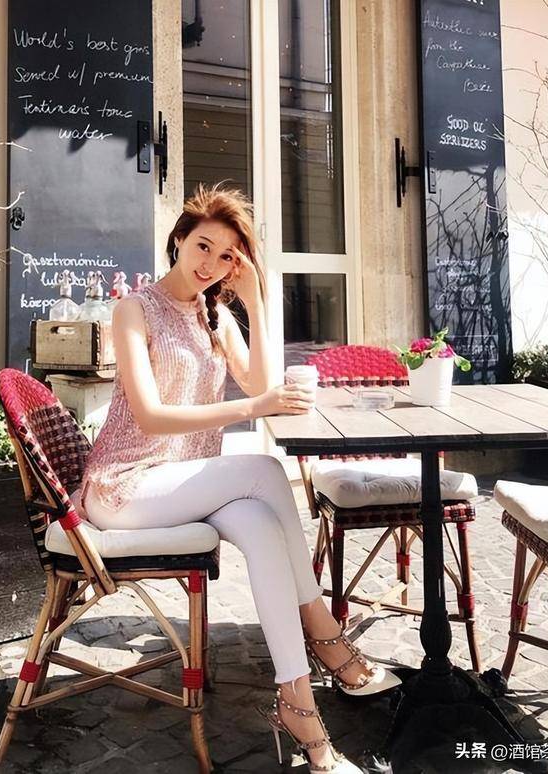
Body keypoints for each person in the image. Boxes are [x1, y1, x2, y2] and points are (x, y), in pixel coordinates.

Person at [75, 183, 400, 773]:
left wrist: (256, 298)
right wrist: (254, 408)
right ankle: (325, 632)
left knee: (262, 526)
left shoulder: (216, 316)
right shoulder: (134, 310)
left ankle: (297, 702)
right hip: (125, 486)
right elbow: (152, 415)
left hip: (186, 481)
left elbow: (263, 384)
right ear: (179, 240)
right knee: (265, 469)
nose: (210, 264)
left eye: (226, 256)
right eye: (203, 246)